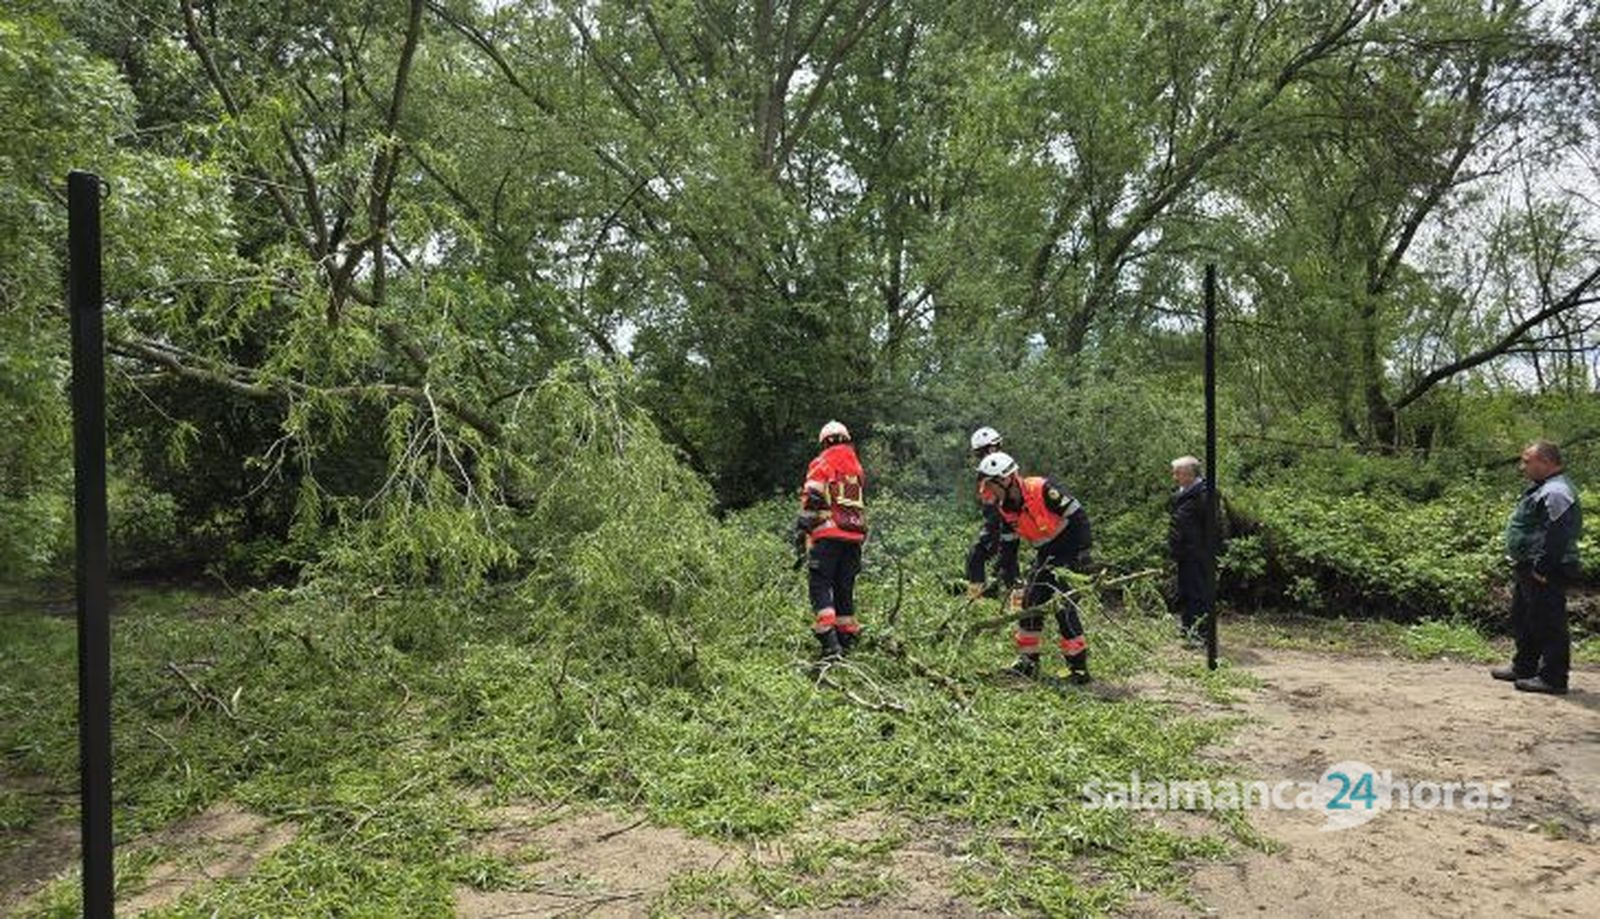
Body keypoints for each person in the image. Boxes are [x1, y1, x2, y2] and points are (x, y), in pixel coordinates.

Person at [976, 451, 1093, 683]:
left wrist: (1082, 554)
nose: (989, 491)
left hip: (1070, 549)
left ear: (1006, 479)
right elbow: (1009, 546)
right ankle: (1028, 663)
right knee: (1029, 602)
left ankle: (1078, 670)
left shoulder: (1042, 489)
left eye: (991, 485)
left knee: (1063, 605)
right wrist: (1007, 577)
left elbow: (1079, 517)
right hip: (1046, 553)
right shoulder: (1005, 507)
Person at [1493, 440, 1581, 695]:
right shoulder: (1543, 488)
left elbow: (1558, 532)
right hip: (1529, 564)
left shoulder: (1556, 491)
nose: (1523, 467)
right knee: (1524, 617)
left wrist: (1543, 567)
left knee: (1548, 621)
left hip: (1546, 567)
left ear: (1546, 462)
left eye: (1527, 461)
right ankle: (1525, 666)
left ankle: (1553, 678)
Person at [794, 421, 868, 660]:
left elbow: (813, 498)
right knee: (844, 587)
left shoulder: (822, 462)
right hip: (854, 538)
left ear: (824, 442)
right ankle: (846, 638)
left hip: (828, 536)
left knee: (820, 584)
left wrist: (801, 531)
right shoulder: (856, 467)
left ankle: (829, 642)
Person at [965, 426, 1020, 599]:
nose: (981, 457)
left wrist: (991, 528)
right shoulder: (988, 470)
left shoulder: (1000, 469)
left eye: (980, 453)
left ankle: (977, 602)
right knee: (1007, 565)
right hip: (997, 521)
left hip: (1003, 522)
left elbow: (1003, 503)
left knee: (979, 557)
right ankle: (989, 598)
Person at [1168, 455, 1212, 643]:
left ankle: (1201, 633)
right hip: (1184, 553)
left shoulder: (1205, 494)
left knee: (1198, 594)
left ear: (1189, 474)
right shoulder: (1184, 493)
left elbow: (1212, 526)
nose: (1175, 477)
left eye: (1178, 473)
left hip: (1198, 552)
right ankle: (1188, 629)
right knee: (1185, 592)